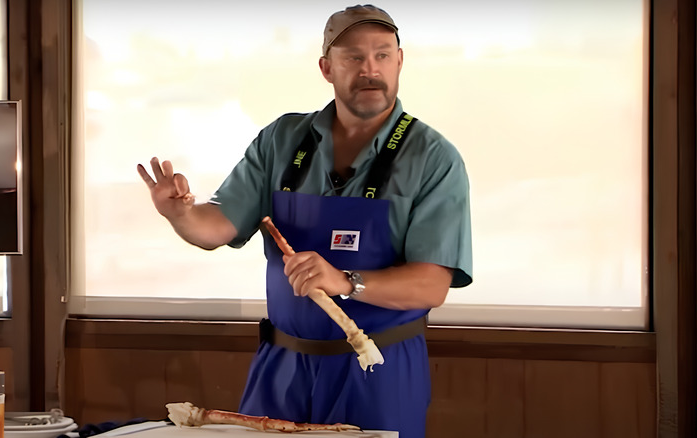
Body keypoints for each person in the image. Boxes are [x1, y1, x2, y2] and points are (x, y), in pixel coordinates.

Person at [138, 5, 472, 437]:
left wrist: (346, 280)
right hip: (282, 366)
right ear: (326, 68)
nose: (370, 69)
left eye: (383, 55)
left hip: (378, 369)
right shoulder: (282, 140)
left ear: (400, 61)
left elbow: (431, 285)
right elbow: (216, 226)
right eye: (353, 57)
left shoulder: (433, 157)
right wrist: (179, 213)